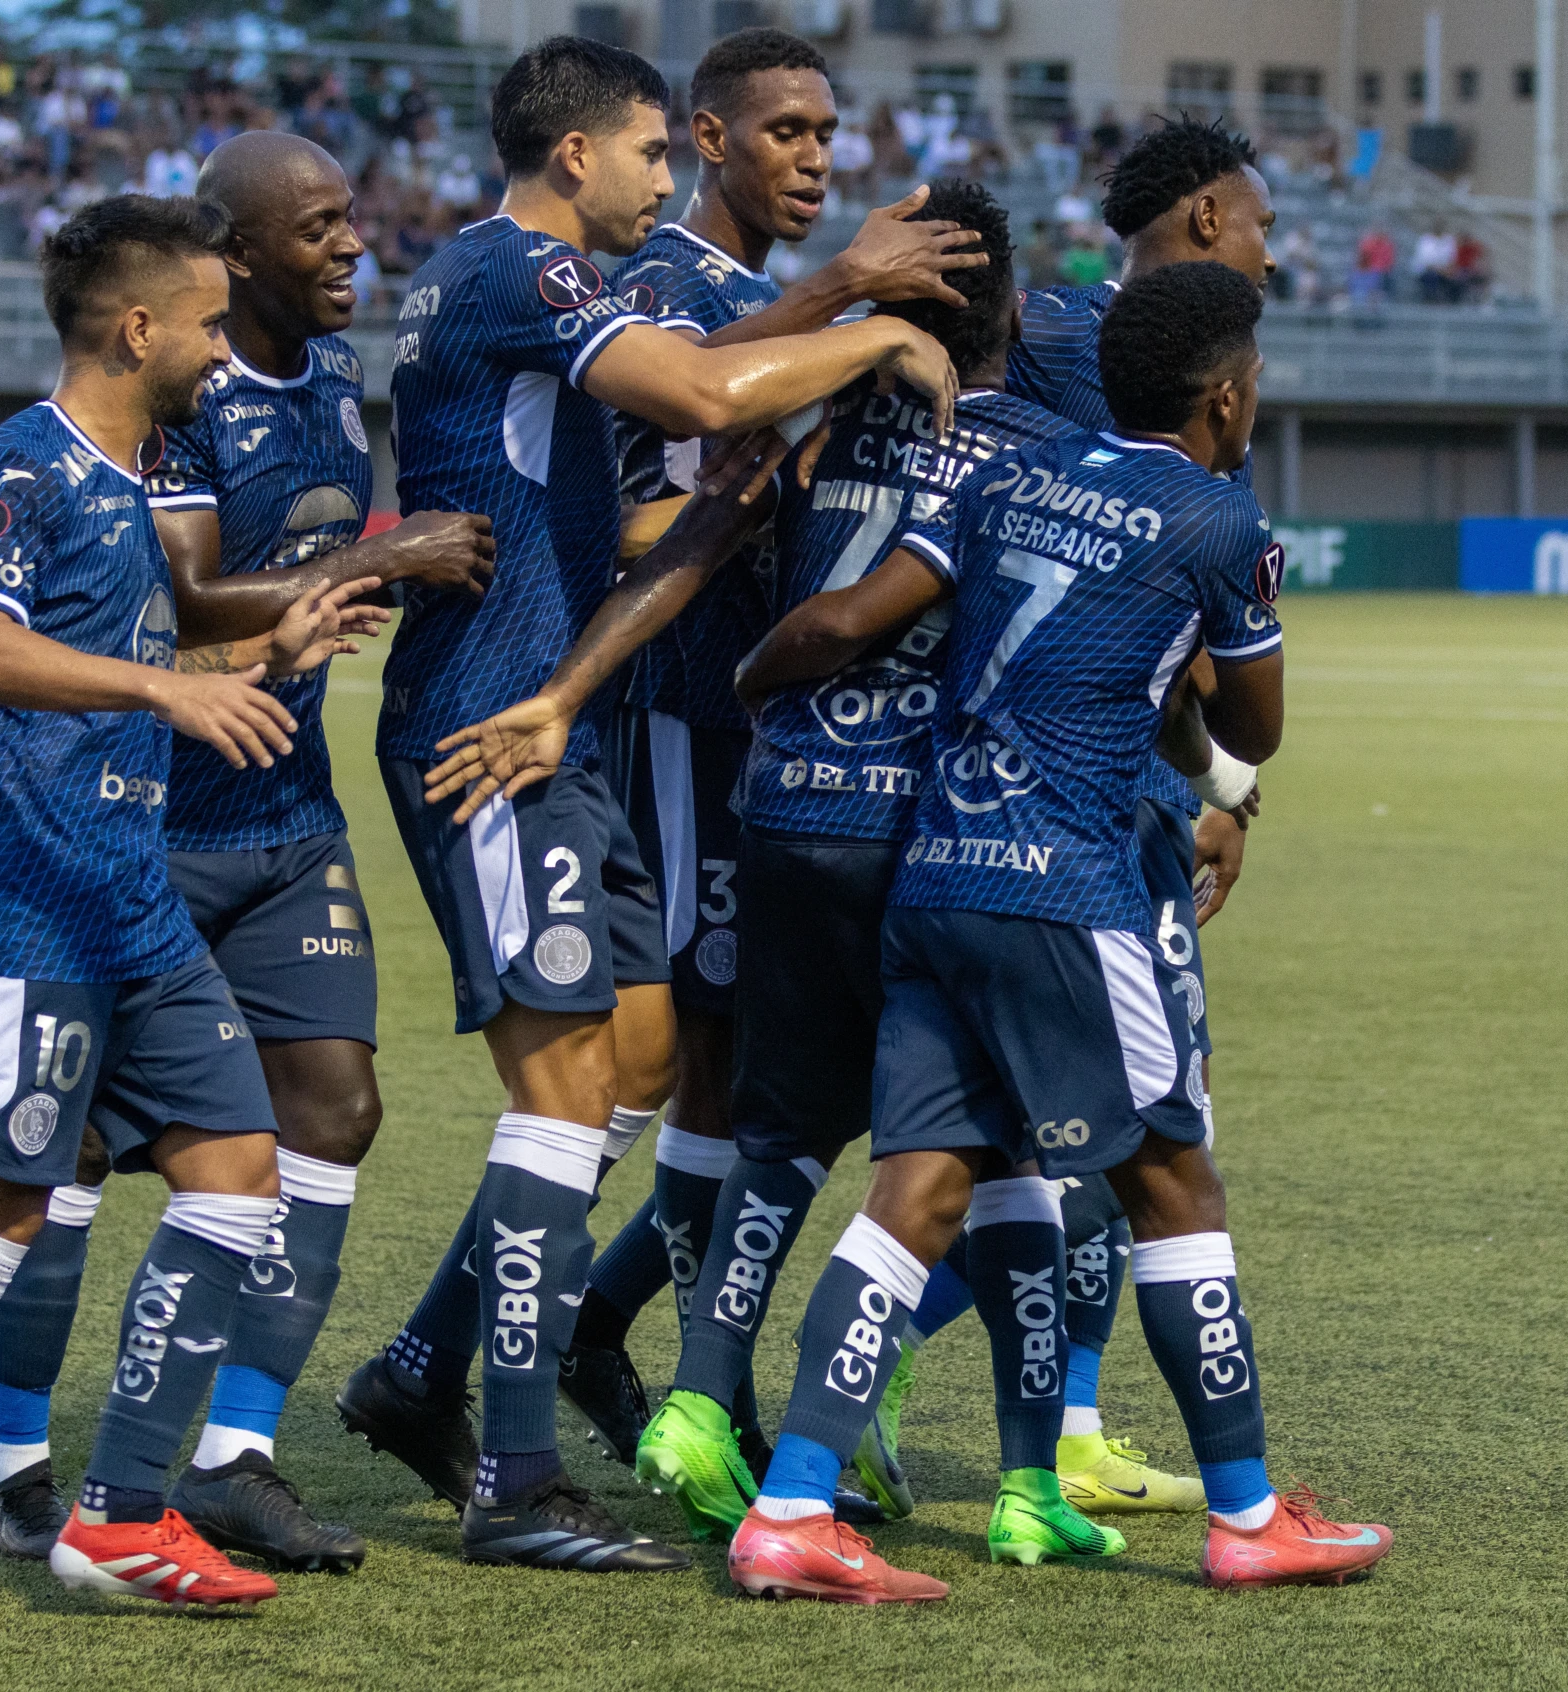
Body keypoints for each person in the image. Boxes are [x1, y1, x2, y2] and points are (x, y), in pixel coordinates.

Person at [324, 34, 956, 1574]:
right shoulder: (512, 274)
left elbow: (643, 490)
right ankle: (520, 1476)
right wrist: (873, 336)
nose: (668, 176)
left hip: (564, 721)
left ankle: (426, 1374)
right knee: (560, 1096)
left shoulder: (531, 283)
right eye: (654, 153)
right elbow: (702, 378)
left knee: (644, 1059)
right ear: (574, 158)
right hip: (494, 724)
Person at [723, 259, 1393, 1603]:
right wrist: (1201, 665)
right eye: (1253, 382)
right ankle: (1251, 1513)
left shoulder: (996, 482)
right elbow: (1249, 732)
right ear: (1223, 397)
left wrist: (748, 687)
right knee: (1174, 1183)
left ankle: (792, 1510)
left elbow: (859, 616)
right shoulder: (1218, 519)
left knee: (912, 1193)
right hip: (1068, 887)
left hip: (936, 874)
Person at [0, 194, 378, 1628]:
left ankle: (117, 1516)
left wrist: (265, 637)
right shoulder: (23, 463)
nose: (214, 342)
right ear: (137, 328)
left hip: (129, 899)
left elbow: (150, 632)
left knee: (240, 1166)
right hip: (21, 899)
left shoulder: (138, 479)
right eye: (198, 320)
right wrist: (165, 687)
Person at [602, 181, 1128, 1569]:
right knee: (993, 1155)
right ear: (1016, 310)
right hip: (928, 833)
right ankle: (1027, 1485)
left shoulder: (810, 411)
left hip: (779, 807)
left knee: (775, 1128)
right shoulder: (1034, 453)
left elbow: (702, 494)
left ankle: (702, 1404)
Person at [38, 130, 485, 1572]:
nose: (354, 241)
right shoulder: (184, 393)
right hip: (153, 817)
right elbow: (176, 598)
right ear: (233, 251)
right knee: (80, 1145)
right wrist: (383, 559)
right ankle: (10, 1463)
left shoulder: (339, 382)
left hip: (290, 818)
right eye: (319, 224)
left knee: (334, 1112)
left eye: (354, 215)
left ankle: (233, 1453)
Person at [555, 25, 989, 1476]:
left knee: (737, 1064)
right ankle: (620, 1363)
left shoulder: (754, 292)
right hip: (689, 706)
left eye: (827, 132)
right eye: (786, 131)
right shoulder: (668, 284)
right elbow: (655, 428)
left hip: (768, 727)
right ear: (710, 137)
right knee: (697, 1058)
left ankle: (633, 1348)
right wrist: (849, 295)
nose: (814, 156)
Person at [872, 116, 1266, 1519]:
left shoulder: (1201, 355)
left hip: (1141, 790)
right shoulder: (1058, 338)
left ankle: (1077, 1424)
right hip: (1053, 808)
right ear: (1212, 215)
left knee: (1103, 1137)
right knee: (1126, 1140)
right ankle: (906, 1375)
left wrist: (1222, 789)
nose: (1277, 250)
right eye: (1263, 220)